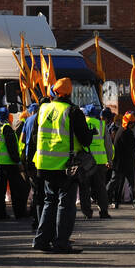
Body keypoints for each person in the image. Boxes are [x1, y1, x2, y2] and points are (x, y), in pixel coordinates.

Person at [32, 78, 94, 254]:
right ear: (69, 93)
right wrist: (89, 133)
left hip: (44, 164)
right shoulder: (73, 111)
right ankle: (61, 242)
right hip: (65, 166)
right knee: (65, 205)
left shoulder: (43, 109)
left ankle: (42, 240)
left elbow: (37, 135)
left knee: (49, 201)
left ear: (54, 92)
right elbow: (85, 139)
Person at [0, 107, 29, 221]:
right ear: (8, 117)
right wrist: (17, 162)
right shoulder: (6, 128)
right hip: (10, 164)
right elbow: (12, 147)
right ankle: (19, 213)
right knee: (18, 190)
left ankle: (0, 214)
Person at [79, 104, 112, 219]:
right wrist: (109, 160)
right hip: (100, 162)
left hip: (85, 162)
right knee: (101, 188)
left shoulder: (81, 124)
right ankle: (103, 211)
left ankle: (87, 213)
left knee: (85, 188)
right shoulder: (102, 125)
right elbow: (108, 145)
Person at [110, 111, 135, 208]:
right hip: (124, 164)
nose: (134, 125)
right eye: (133, 123)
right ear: (130, 123)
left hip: (120, 163)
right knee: (132, 183)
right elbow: (132, 148)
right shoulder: (126, 133)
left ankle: (114, 201)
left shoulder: (121, 131)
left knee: (118, 183)